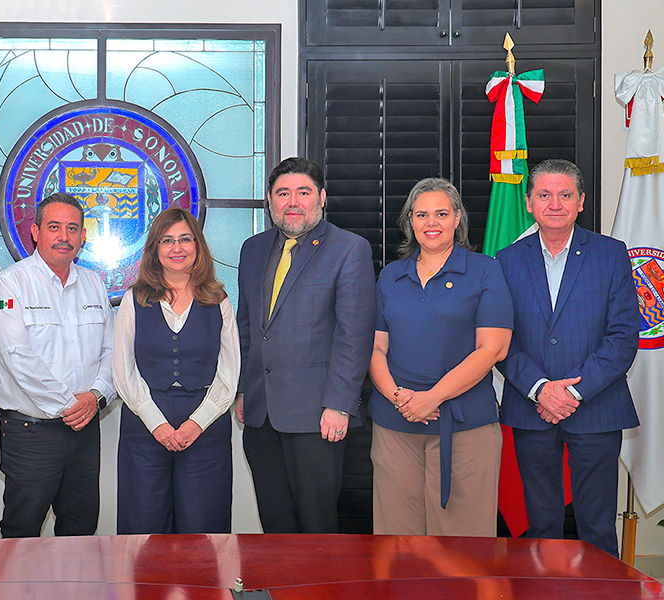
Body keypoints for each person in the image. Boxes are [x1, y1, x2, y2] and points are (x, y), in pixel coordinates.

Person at [496, 158, 639, 557]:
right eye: (544, 195)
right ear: (529, 202)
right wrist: (540, 389)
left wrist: (572, 393)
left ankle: (601, 589)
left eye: (565, 195)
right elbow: (499, 340)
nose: (555, 204)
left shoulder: (611, 254)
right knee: (540, 525)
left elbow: (623, 337)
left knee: (597, 526)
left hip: (597, 408)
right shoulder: (506, 260)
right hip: (531, 410)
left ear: (581, 202)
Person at [235, 157, 375, 533]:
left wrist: (339, 404)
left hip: (318, 416)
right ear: (269, 200)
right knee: (275, 524)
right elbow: (247, 327)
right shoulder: (253, 249)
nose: (293, 201)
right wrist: (244, 390)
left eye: (303, 192)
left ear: (322, 198)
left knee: (317, 527)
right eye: (283, 193)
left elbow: (354, 335)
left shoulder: (349, 249)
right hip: (261, 415)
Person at [368, 178, 513, 536]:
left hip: (465, 427)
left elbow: (493, 348)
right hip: (395, 424)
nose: (431, 223)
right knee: (397, 543)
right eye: (421, 215)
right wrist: (399, 399)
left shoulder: (485, 270)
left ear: (457, 218)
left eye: (441, 214)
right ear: (410, 221)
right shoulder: (391, 275)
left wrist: (432, 398)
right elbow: (375, 347)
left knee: (463, 547)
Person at [0, 192, 114, 538]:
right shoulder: (10, 283)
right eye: (54, 227)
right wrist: (72, 405)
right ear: (35, 232)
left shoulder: (93, 284)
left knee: (80, 530)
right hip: (32, 433)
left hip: (85, 431)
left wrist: (96, 397)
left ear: (83, 236)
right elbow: (16, 355)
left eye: (72, 228)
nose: (64, 236)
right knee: (22, 532)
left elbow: (111, 351)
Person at [112, 207, 239, 534]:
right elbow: (123, 369)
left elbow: (229, 372)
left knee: (203, 530)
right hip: (144, 430)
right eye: (167, 240)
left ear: (198, 246)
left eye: (185, 239)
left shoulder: (219, 300)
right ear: (155, 248)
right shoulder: (134, 299)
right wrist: (157, 424)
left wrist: (197, 424)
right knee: (143, 530)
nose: (177, 248)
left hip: (206, 431)